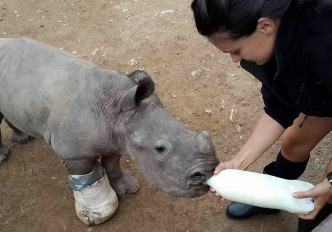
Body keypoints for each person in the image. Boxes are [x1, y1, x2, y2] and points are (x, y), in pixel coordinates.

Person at [191, 0, 332, 231]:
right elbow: (280, 104)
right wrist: (238, 162)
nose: (235, 60)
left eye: (236, 50)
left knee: (330, 185)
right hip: (322, 84)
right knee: (293, 143)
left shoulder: (324, 42)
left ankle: (317, 219)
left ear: (265, 26)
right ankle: (271, 199)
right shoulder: (273, 38)